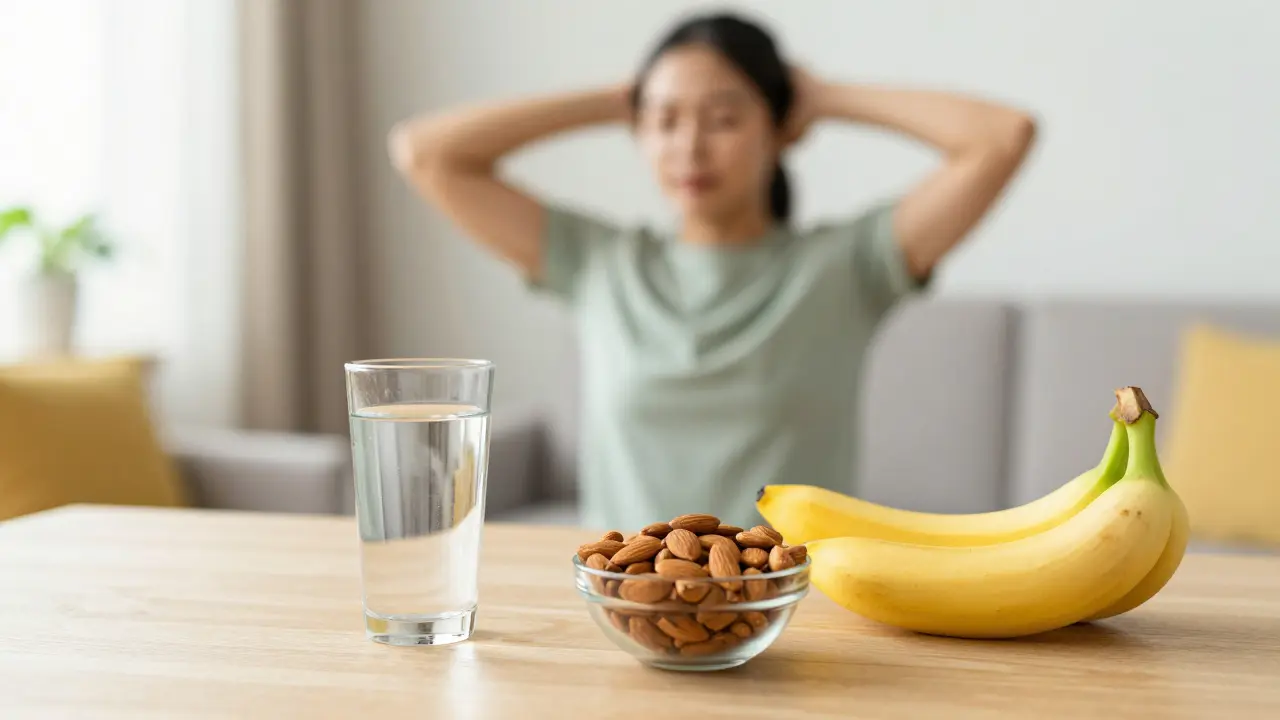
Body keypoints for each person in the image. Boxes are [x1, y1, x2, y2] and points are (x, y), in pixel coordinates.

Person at [388, 12, 1036, 530]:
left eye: (723, 118)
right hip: (628, 615)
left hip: (790, 618)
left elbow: (1001, 136)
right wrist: (612, 100)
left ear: (778, 130)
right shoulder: (597, 262)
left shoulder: (847, 267)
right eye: (665, 121)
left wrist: (823, 97)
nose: (690, 146)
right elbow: (425, 154)